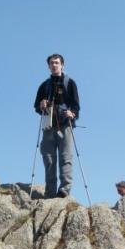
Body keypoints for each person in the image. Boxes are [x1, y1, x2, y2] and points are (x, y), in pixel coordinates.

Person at [34, 54, 80, 198]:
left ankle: (64, 191)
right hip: (48, 125)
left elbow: (76, 105)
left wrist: (72, 114)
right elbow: (36, 106)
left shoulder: (69, 83)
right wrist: (40, 105)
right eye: (52, 63)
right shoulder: (44, 85)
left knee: (65, 158)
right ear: (48, 66)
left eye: (57, 63)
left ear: (62, 65)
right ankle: (50, 192)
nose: (54, 65)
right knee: (49, 159)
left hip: (65, 125)